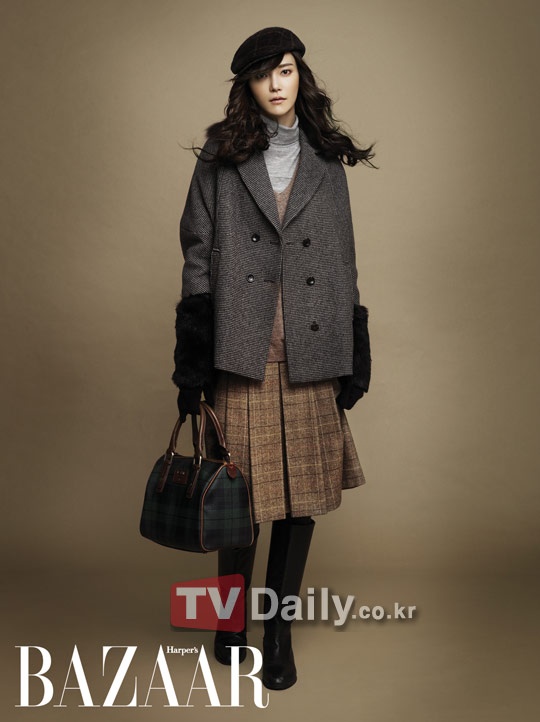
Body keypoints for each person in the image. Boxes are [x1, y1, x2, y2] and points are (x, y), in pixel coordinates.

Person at [172, 27, 373, 691]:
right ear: (248, 86)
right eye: (264, 75)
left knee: (298, 502)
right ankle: (230, 623)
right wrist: (194, 359)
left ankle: (277, 634)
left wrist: (353, 349)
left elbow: (343, 257)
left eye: (285, 70)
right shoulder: (221, 156)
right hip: (242, 348)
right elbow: (198, 252)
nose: (277, 84)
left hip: (312, 350)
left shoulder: (325, 158)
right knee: (239, 501)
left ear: (299, 75)